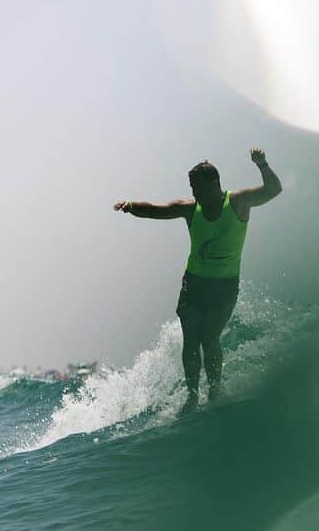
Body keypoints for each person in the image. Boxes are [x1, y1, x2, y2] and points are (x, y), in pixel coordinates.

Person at [114, 148, 282, 411]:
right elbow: (157, 210)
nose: (194, 193)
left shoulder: (238, 202)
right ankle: (192, 396)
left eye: (197, 187)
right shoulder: (192, 209)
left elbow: (273, 190)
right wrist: (132, 206)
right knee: (191, 338)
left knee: (210, 338)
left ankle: (215, 391)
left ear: (214, 183)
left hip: (224, 285)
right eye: (191, 187)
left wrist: (262, 164)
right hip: (194, 282)